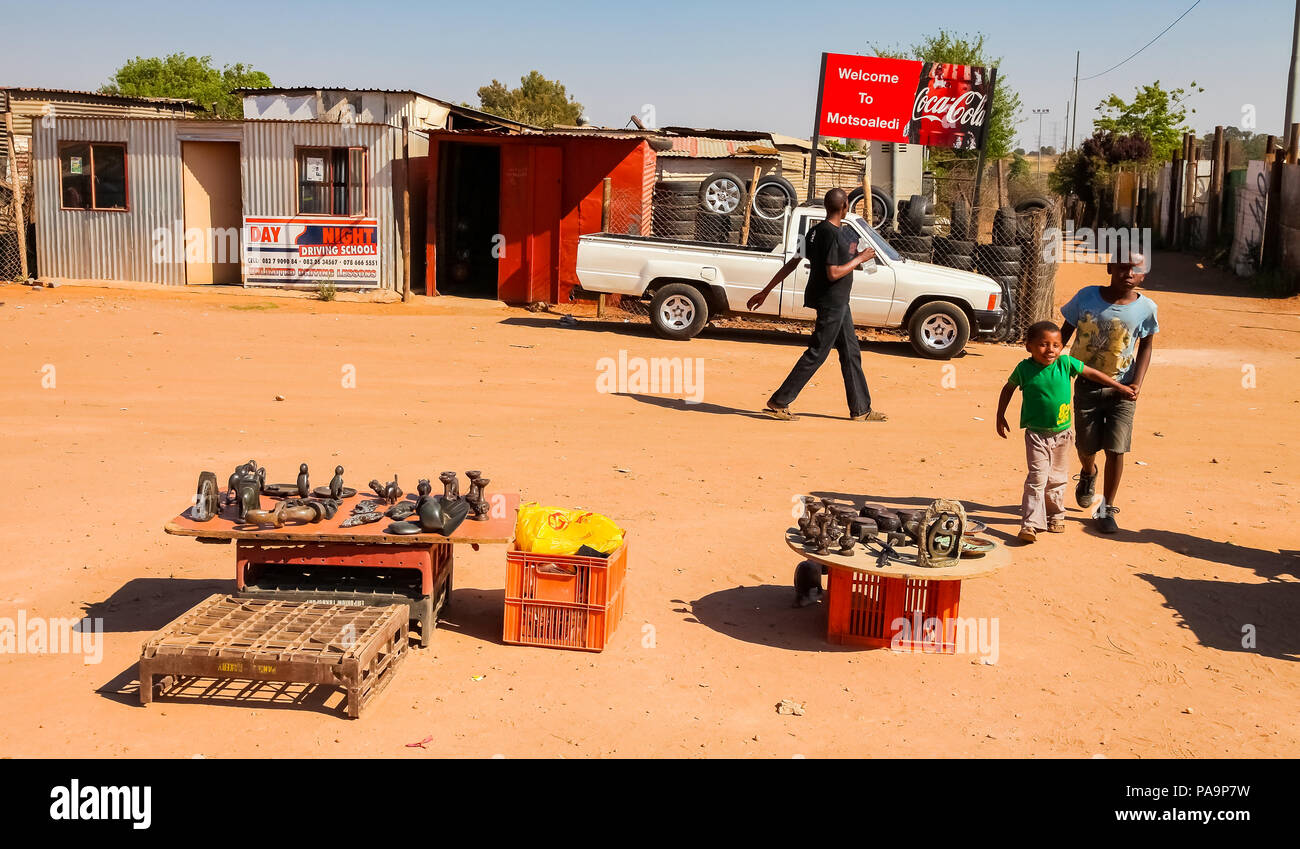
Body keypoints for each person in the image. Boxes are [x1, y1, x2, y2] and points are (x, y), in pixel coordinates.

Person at [746, 188, 886, 422]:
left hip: (838, 302)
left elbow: (793, 262)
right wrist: (860, 259)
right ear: (845, 206)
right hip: (832, 302)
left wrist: (766, 290)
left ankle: (861, 409)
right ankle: (779, 401)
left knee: (851, 352)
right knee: (817, 352)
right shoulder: (832, 235)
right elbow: (833, 273)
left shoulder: (813, 232)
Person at [997, 321, 1135, 543]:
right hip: (1036, 435)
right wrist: (1000, 414)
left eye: (1056, 345)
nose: (1050, 350)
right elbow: (1008, 389)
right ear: (1028, 346)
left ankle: (1055, 515)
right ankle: (1030, 524)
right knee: (1037, 478)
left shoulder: (1066, 363)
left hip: (1063, 435)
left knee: (1057, 478)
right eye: (1043, 344)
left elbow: (1093, 374)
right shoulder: (1024, 369)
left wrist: (1119, 387)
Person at [1059, 254, 1159, 534]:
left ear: (1143, 276)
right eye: (1123, 267)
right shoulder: (1087, 297)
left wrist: (1137, 382)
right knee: (1086, 445)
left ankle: (1106, 508)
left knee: (1116, 448)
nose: (1128, 273)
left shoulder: (1147, 308)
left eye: (1135, 270)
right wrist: (1049, 365)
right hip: (1086, 385)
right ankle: (1088, 472)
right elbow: (1064, 333)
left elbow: (1146, 346)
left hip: (1122, 389)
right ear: (1110, 269)